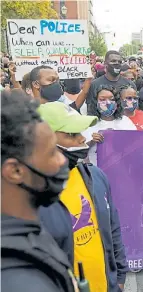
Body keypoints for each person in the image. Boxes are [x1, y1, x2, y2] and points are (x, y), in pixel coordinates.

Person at [38, 102, 128, 292]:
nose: (81, 139)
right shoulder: (29, 195)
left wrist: (119, 275)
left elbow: (113, 229)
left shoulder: (96, 177)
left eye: (81, 132)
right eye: (71, 134)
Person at [1, 90, 77, 292]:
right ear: (15, 171)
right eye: (52, 152)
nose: (62, 160)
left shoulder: (26, 232)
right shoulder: (22, 281)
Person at [83, 85, 136, 165]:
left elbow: (136, 145)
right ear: (95, 102)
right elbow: (79, 152)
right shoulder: (88, 123)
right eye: (102, 99)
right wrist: (91, 142)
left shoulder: (125, 121)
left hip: (122, 169)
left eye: (111, 99)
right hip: (96, 171)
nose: (107, 102)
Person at [86, 50, 136, 115]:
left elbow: (134, 110)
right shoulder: (95, 85)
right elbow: (91, 111)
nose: (117, 63)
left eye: (119, 62)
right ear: (105, 64)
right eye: (113, 61)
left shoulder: (130, 85)